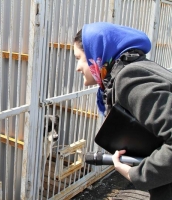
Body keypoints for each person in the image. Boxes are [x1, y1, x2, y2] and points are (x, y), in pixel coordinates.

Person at [73, 22, 172, 199]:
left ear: (96, 54)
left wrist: (137, 174)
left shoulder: (129, 77)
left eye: (79, 58)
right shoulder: (133, 71)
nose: (77, 67)